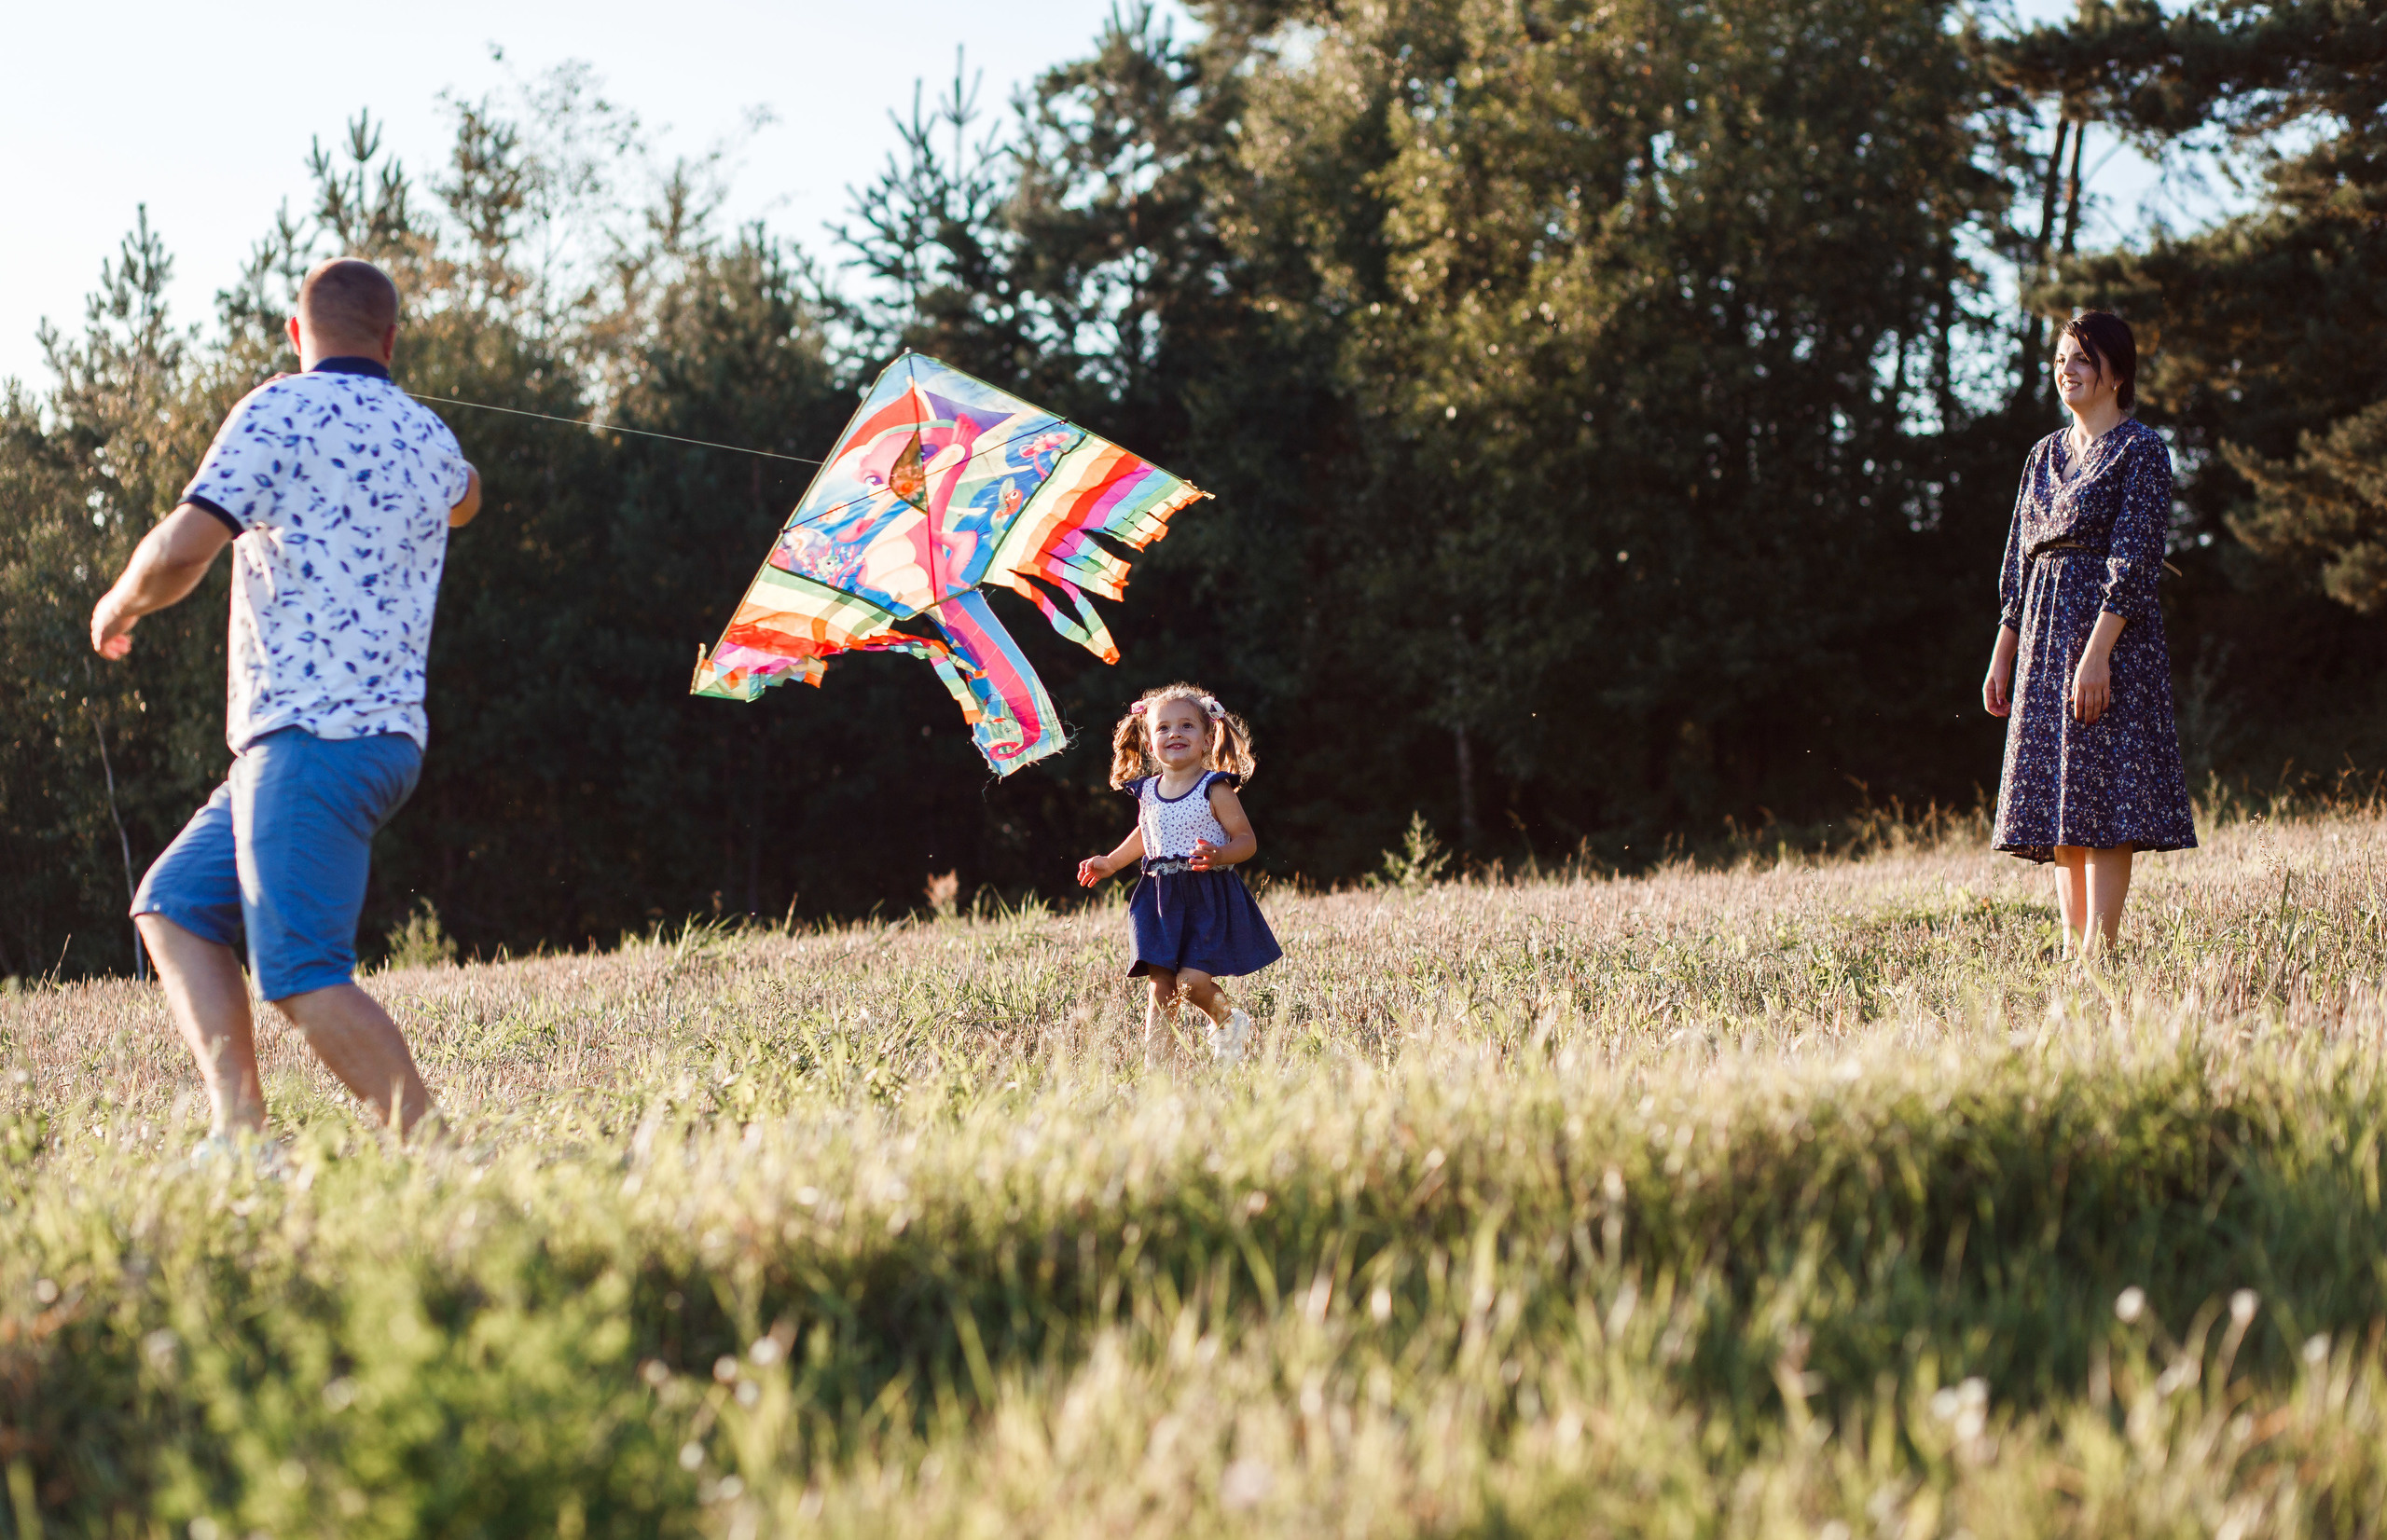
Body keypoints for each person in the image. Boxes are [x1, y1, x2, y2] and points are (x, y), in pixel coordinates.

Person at [90, 256, 482, 1151]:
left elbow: (187, 543)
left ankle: (449, 1158)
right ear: (390, 340)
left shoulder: (277, 407)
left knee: (302, 974)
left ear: (297, 335)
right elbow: (468, 499)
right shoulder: (428, 434)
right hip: (374, 743)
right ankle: (240, 1138)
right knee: (176, 905)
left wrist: (118, 604)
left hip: (310, 738)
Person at [1981, 309, 2196, 958]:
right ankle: (2075, 952)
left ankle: (2100, 952)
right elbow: (2019, 563)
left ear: (2117, 371)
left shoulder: (2142, 450)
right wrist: (2001, 658)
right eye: (2060, 359)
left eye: (2080, 358)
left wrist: (2098, 655)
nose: (2065, 370)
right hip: (2042, 638)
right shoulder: (2042, 455)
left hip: (2109, 638)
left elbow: (2134, 559)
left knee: (2103, 795)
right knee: (2059, 798)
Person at [1078, 685, 1283, 1062]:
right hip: (1159, 898)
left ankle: (1228, 1020)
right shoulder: (1148, 792)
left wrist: (1220, 854)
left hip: (1205, 896)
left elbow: (1247, 841)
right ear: (1148, 740)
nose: (1174, 734)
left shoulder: (1215, 787)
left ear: (1207, 739)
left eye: (1187, 726)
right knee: (1162, 985)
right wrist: (1110, 861)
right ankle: (1158, 1071)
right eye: (1163, 728)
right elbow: (1147, 832)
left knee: (1190, 982)